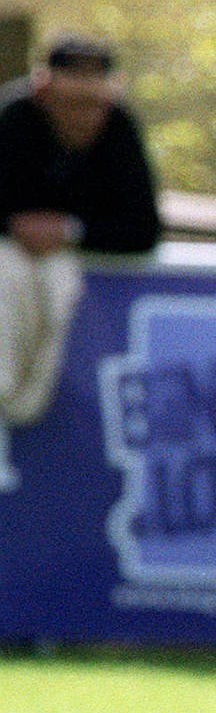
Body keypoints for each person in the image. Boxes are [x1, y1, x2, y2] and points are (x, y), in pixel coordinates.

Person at [0, 34, 160, 427]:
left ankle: (22, 409)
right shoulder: (12, 118)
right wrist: (15, 226)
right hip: (8, 255)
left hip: (67, 263)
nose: (84, 116)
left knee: (60, 285)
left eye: (94, 104)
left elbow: (142, 227)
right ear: (43, 92)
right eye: (72, 103)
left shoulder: (119, 127)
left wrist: (71, 231)